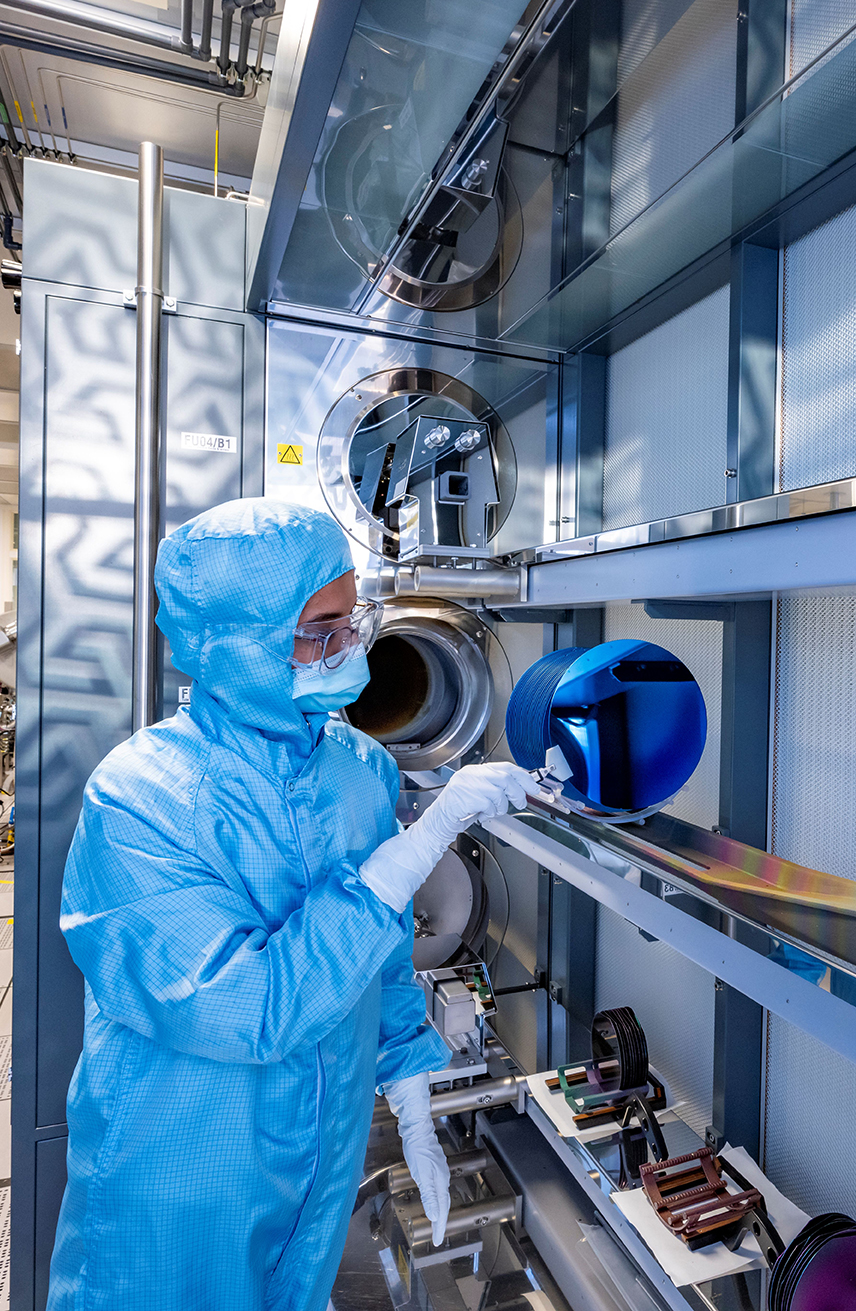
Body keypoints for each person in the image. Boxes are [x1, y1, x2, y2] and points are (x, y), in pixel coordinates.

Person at [46, 498, 534, 1311]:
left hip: (322, 1153)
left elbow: (375, 957)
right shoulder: (138, 801)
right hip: (183, 1174)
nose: (350, 649)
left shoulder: (358, 768)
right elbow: (249, 1007)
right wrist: (424, 838)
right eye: (321, 630)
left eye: (355, 620)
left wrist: (410, 1087)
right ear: (231, 644)